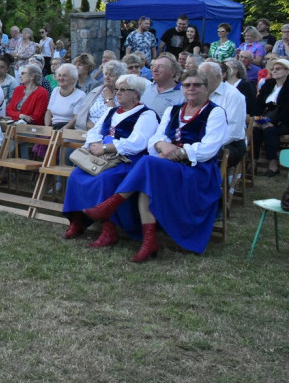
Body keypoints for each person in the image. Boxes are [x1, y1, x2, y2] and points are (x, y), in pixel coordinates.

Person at [82, 69, 227, 262]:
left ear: (206, 88)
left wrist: (180, 152)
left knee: (147, 164)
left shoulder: (215, 112)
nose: (191, 89)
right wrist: (163, 145)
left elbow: (210, 148)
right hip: (168, 165)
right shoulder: (173, 110)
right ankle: (148, 241)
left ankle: (112, 205)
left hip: (198, 171)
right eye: (187, 85)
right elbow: (154, 140)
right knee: (147, 175)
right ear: (181, 88)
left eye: (197, 85)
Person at [61, 74, 158, 245]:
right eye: (116, 89)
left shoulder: (146, 115)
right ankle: (78, 221)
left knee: (106, 179)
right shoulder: (111, 111)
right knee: (77, 175)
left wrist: (106, 147)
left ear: (136, 94)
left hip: (127, 160)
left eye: (123, 90)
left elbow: (137, 143)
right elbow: (95, 131)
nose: (117, 93)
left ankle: (109, 229)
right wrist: (94, 144)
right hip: (101, 156)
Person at [199, 61, 247, 174]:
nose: (201, 79)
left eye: (204, 75)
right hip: (202, 140)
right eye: (199, 75)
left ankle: (210, 188)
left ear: (219, 77)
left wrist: (208, 144)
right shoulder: (199, 93)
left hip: (229, 144)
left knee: (201, 159)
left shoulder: (234, 96)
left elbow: (233, 131)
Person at [253, 58, 289, 177]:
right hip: (265, 117)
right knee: (255, 129)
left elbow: (287, 109)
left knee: (269, 130)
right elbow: (258, 103)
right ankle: (254, 162)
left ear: (287, 71)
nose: (274, 71)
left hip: (284, 121)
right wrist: (257, 118)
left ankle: (273, 165)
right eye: (272, 69)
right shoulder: (269, 84)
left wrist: (273, 122)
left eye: (278, 69)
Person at [75, 59, 126, 131]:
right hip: (89, 131)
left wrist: (109, 100)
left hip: (110, 133)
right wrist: (95, 127)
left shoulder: (123, 95)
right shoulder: (96, 92)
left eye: (111, 75)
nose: (107, 77)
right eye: (105, 74)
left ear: (119, 78)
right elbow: (82, 116)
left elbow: (117, 118)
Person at [45, 63, 85, 130]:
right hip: (53, 126)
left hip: (69, 129)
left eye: (65, 76)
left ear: (73, 79)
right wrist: (47, 128)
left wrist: (63, 130)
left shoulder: (80, 95)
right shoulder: (55, 90)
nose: (61, 78)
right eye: (59, 75)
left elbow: (76, 118)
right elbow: (48, 112)